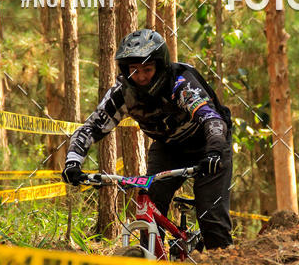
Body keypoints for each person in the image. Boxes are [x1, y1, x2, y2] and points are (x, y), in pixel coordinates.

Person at [62, 29, 233, 249]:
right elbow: (91, 127)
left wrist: (215, 152)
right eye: (134, 70)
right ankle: (149, 262)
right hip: (168, 148)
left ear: (160, 66)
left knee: (211, 214)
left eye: (147, 69)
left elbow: (212, 120)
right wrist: (72, 162)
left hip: (208, 145)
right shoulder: (122, 92)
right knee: (150, 205)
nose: (141, 77)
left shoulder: (180, 83)